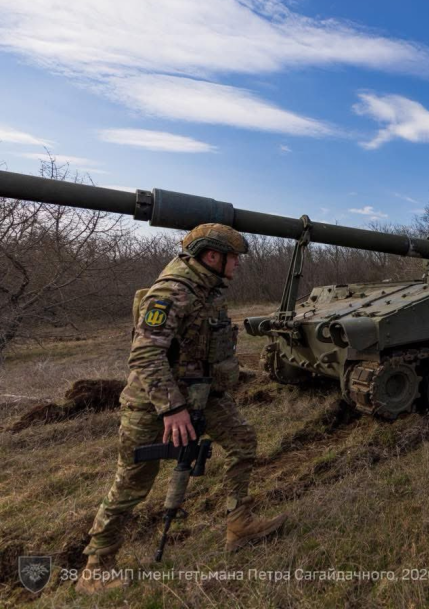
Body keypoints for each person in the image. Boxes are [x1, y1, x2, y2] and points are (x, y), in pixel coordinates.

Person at [77, 224, 287, 595]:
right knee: (132, 484)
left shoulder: (207, 291)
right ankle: (96, 568)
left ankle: (239, 524)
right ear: (211, 256)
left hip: (204, 395)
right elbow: (145, 354)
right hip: (155, 405)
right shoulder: (172, 292)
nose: (237, 264)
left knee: (243, 442)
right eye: (233, 257)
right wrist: (172, 409)